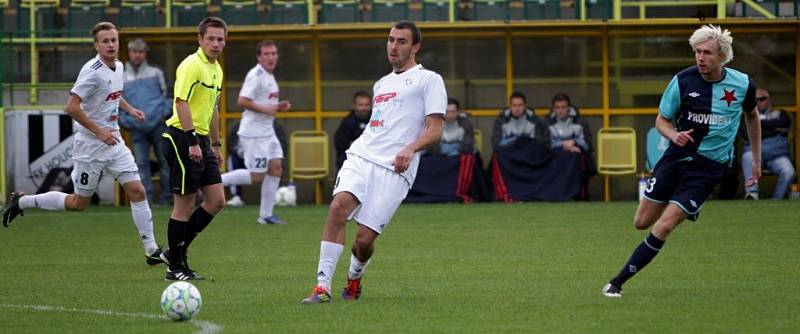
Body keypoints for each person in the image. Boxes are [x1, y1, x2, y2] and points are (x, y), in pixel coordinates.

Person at [602, 24, 762, 298]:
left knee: (663, 226)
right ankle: (681, 200)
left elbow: (753, 117)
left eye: (707, 53)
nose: (700, 58)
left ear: (721, 56)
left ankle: (616, 283)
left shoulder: (742, 84)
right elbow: (661, 121)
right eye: (697, 52)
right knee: (641, 222)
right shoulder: (682, 81)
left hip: (709, 168)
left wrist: (757, 159)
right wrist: (674, 135)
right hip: (676, 158)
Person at [301, 20, 446, 304]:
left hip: (395, 169)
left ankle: (354, 278)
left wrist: (410, 149)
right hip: (362, 155)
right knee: (338, 207)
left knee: (364, 240)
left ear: (415, 47)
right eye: (391, 40)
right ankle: (322, 286)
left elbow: (435, 129)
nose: (393, 46)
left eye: (401, 41)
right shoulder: (381, 84)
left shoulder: (429, 80)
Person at [1, 22, 166, 266]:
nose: (111, 45)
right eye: (105, 41)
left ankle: (151, 249)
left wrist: (130, 109)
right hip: (90, 145)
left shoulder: (119, 66)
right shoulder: (91, 71)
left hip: (114, 140)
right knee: (78, 203)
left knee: (138, 190)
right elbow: (71, 107)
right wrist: (99, 131)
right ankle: (22, 201)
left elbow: (114, 94)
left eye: (114, 40)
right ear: (96, 45)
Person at [161, 17, 228, 281]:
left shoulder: (217, 69)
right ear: (199, 39)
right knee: (185, 204)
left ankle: (173, 254)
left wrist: (215, 144)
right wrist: (191, 141)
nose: (215, 43)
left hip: (201, 141)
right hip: (181, 137)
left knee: (216, 201)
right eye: (210, 38)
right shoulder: (192, 65)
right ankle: (175, 267)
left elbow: (213, 109)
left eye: (220, 39)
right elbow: (181, 103)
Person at [219, 40, 291, 225]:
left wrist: (277, 107)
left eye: (273, 53)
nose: (271, 57)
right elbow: (242, 100)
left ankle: (265, 216)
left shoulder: (269, 75)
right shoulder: (256, 74)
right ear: (259, 57)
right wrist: (267, 110)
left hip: (268, 131)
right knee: (256, 176)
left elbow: (263, 102)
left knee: (276, 168)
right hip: (254, 133)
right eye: (266, 54)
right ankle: (213, 180)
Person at [120, 37, 173, 206]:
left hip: (159, 125)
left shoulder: (157, 72)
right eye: (134, 52)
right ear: (129, 53)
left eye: (141, 52)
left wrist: (162, 116)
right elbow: (116, 103)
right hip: (137, 128)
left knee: (166, 162)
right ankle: (146, 202)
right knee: (141, 165)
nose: (137, 55)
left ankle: (167, 200)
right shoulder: (120, 76)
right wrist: (127, 121)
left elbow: (170, 96)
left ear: (145, 54)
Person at [741, 88, 795, 200]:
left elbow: (785, 122)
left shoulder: (780, 113)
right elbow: (746, 134)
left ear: (769, 100)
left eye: (762, 99)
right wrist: (774, 129)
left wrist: (756, 126)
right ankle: (752, 194)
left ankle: (777, 200)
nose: (759, 101)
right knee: (747, 157)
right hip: (754, 155)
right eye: (756, 99)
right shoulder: (746, 116)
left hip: (777, 155)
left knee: (789, 172)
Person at [547, 93, 596, 200]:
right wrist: (564, 145)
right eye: (558, 107)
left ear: (568, 108)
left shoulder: (580, 121)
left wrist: (574, 142)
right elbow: (546, 144)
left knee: (573, 157)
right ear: (553, 108)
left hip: (576, 156)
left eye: (563, 107)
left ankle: (573, 195)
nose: (560, 110)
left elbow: (588, 145)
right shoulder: (547, 122)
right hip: (555, 156)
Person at [334, 91, 372, 170]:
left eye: (367, 105)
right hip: (352, 156)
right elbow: (340, 143)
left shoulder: (376, 120)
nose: (364, 108)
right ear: (354, 106)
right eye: (361, 105)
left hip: (372, 155)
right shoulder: (348, 121)